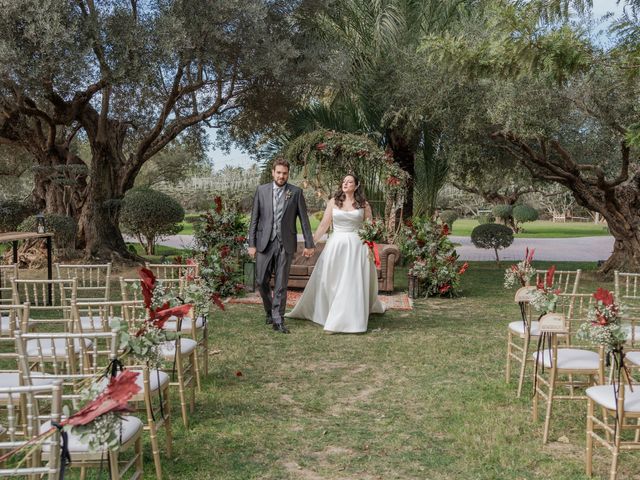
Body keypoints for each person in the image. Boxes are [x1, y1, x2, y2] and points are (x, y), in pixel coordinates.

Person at [286, 174, 385, 333]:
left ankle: (346, 319)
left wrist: (371, 245)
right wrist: (311, 243)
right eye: (344, 181)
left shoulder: (363, 205)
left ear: (357, 185)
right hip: (336, 246)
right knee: (333, 282)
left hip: (356, 247)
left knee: (351, 282)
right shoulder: (333, 202)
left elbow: (369, 227)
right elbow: (324, 225)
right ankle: (330, 312)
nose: (345, 184)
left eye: (349, 181)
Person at [248, 158, 315, 334]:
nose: (281, 176)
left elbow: (304, 220)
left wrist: (309, 243)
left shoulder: (296, 192)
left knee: (281, 284)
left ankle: (278, 319)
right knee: (261, 280)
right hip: (264, 243)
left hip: (286, 243)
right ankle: (270, 310)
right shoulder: (261, 191)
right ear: (273, 172)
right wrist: (251, 243)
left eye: (284, 173)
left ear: (288, 174)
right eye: (278, 172)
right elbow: (254, 220)